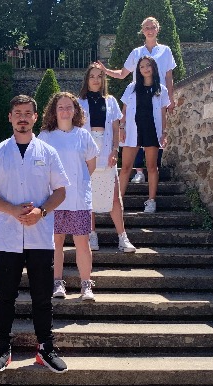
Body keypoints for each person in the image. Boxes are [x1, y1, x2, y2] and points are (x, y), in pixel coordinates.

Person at [0, 95, 70, 374]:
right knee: (5, 295)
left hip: (39, 234)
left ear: (35, 117)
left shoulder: (48, 152)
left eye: (27, 113)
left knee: (42, 296)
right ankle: (3, 348)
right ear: (10, 117)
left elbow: (61, 191)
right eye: (17, 112)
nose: (22, 117)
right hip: (8, 235)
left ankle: (45, 348)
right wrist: (12, 210)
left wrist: (41, 211)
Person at [101, 16, 176, 190]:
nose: (150, 30)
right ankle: (139, 172)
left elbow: (168, 77)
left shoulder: (165, 51)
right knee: (133, 135)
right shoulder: (136, 53)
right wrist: (105, 71)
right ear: (142, 31)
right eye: (146, 28)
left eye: (152, 27)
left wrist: (171, 99)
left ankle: (151, 180)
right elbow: (122, 74)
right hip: (138, 99)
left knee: (155, 137)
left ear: (157, 29)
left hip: (157, 99)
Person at [38, 92, 99, 301]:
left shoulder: (83, 135)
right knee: (56, 242)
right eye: (61, 107)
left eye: (69, 107)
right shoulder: (45, 137)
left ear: (75, 110)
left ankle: (86, 285)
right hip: (53, 199)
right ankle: (57, 283)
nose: (65, 111)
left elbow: (91, 165)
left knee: (82, 242)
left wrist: (78, 183)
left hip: (79, 199)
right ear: (54, 112)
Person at [78, 64, 137, 254]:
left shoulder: (111, 101)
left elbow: (115, 128)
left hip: (106, 149)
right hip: (87, 152)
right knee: (88, 197)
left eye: (99, 76)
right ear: (87, 80)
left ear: (104, 79)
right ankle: (91, 235)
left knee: (114, 197)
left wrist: (115, 150)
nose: (96, 80)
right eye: (92, 76)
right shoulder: (79, 102)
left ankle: (122, 237)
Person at [119, 57, 170, 213]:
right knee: (126, 167)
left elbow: (163, 114)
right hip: (133, 130)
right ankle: (118, 202)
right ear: (138, 70)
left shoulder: (161, 89)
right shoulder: (131, 87)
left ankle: (151, 201)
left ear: (153, 67)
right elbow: (124, 111)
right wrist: (121, 127)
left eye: (148, 65)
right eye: (142, 66)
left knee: (152, 167)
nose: (145, 69)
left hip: (152, 130)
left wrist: (164, 133)